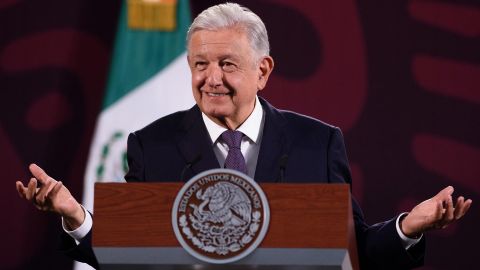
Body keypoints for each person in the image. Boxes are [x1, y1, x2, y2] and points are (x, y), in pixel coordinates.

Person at [16, 3, 472, 270]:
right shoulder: (151, 144)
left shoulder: (318, 143)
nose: (211, 79)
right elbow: (130, 251)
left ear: (263, 70)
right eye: (200, 64)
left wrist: (409, 226)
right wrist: (76, 216)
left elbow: (352, 251)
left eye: (227, 65)